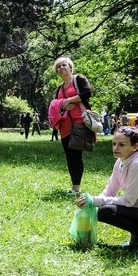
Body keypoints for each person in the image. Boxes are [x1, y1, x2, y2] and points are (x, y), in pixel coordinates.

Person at [76, 127, 138, 252]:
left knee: (106, 211)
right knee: (102, 209)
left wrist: (96, 201)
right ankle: (137, 240)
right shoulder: (120, 162)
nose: (116, 148)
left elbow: (129, 201)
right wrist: (91, 202)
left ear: (135, 147)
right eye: (114, 144)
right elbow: (110, 191)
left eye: (121, 145)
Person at [51, 56, 92, 195]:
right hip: (65, 126)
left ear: (70, 67)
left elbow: (87, 93)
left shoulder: (78, 79)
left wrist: (68, 100)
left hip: (79, 123)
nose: (62, 67)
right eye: (59, 66)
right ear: (57, 72)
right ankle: (74, 186)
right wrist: (63, 106)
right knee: (69, 156)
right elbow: (56, 106)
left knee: (76, 155)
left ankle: (76, 187)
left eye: (64, 65)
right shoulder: (59, 88)